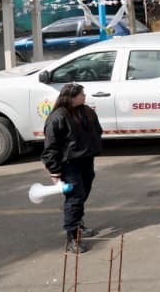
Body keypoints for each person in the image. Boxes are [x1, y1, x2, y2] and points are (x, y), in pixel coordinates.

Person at [42, 83, 103, 253]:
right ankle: (72, 238)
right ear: (71, 97)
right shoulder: (58, 117)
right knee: (75, 199)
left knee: (83, 194)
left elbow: (97, 131)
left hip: (86, 160)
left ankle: (79, 224)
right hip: (69, 164)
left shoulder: (87, 112)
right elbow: (50, 147)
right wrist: (54, 171)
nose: (84, 96)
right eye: (81, 94)